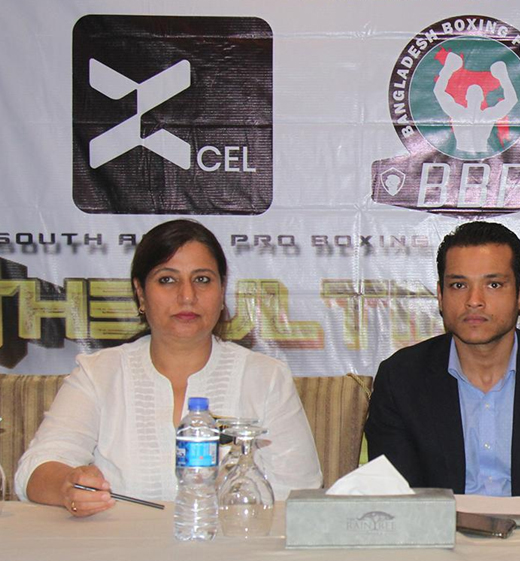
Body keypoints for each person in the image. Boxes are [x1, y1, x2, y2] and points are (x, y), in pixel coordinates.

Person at [15, 219, 321, 516]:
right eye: (167, 280)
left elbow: (302, 490)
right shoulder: (98, 374)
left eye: (202, 279)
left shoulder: (266, 377)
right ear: (140, 293)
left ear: (221, 290)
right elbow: (35, 469)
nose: (187, 296)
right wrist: (67, 487)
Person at [365, 221, 520, 504]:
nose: (474, 301)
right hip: (441, 530)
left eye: (493, 284)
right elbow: (399, 501)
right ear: (441, 296)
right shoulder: (400, 379)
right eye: (459, 285)